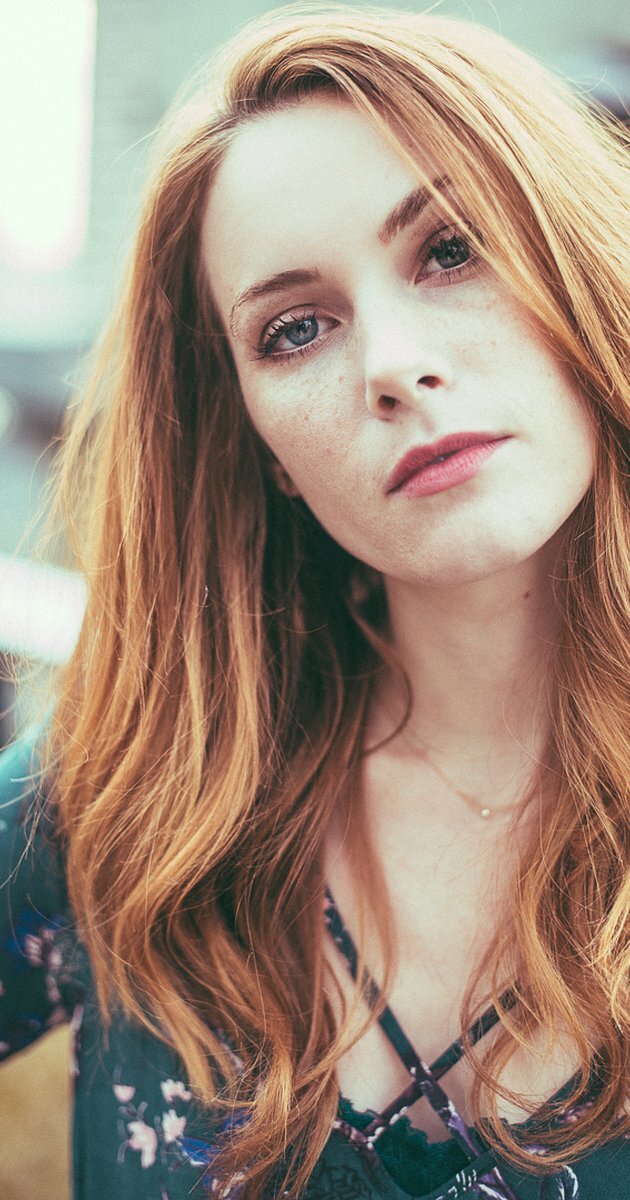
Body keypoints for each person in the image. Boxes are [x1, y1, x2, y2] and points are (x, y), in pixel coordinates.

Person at [0, 6, 627, 1199]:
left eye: (452, 250)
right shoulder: (138, 794)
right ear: (260, 445)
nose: (391, 362)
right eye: (295, 330)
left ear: (577, 263)